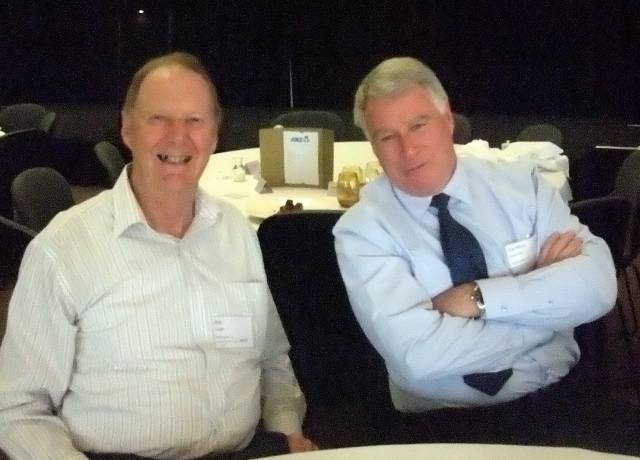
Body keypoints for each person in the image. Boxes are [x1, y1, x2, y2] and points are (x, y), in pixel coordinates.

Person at [0, 52, 315, 459]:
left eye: (194, 120)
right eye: (158, 119)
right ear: (127, 128)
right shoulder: (62, 250)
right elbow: (17, 407)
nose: (178, 137)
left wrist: (286, 430)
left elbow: (272, 357)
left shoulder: (236, 231)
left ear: (214, 136)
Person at [333, 57, 639, 454]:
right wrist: (549, 312)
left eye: (418, 125)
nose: (408, 149)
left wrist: (479, 298)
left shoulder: (523, 187)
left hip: (556, 398)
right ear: (372, 146)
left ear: (447, 120)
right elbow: (419, 357)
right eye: (387, 136)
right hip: (438, 420)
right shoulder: (361, 230)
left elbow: (598, 288)